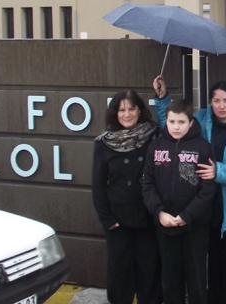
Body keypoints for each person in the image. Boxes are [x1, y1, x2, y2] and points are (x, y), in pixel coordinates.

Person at [152, 76, 226, 304]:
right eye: (216, 100)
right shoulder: (200, 119)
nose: (221, 105)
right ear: (210, 101)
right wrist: (162, 99)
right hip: (201, 207)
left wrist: (218, 171)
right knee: (203, 269)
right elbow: (173, 126)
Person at [142, 98, 216, 304]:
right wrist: (159, 212)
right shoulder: (156, 147)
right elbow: (147, 184)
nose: (176, 127)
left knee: (197, 280)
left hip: (195, 227)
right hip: (165, 226)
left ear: (191, 123)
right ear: (166, 120)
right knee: (170, 281)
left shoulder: (203, 148)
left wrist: (187, 216)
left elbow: (207, 190)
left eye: (181, 122)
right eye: (172, 121)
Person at [91, 90, 163, 304]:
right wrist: (107, 220)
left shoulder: (153, 134)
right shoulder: (104, 142)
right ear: (115, 113)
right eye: (122, 110)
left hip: (147, 218)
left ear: (139, 110)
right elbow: (98, 185)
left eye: (131, 108)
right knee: (119, 275)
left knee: (149, 272)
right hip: (118, 221)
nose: (127, 114)